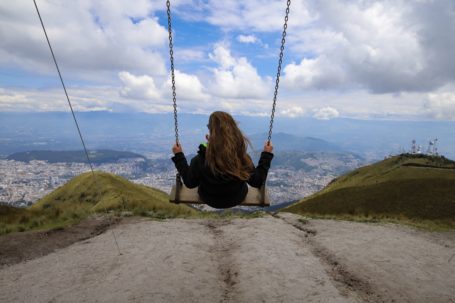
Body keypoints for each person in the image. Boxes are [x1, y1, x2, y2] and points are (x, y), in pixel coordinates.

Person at [171, 111, 274, 209]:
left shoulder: (201, 159)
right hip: (236, 198)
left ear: (211, 135)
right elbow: (257, 181)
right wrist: (266, 154)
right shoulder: (241, 158)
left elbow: (190, 182)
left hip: (209, 198)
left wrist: (179, 155)